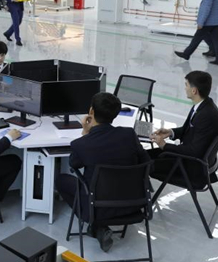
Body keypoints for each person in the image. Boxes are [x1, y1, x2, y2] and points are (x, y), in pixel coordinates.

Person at [56, 92, 150, 253]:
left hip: (98, 208)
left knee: (61, 180)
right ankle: (99, 228)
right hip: (134, 204)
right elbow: (147, 164)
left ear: (91, 112)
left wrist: (85, 133)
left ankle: (96, 225)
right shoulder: (129, 135)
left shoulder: (82, 144)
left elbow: (74, 164)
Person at [149, 71, 218, 185]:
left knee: (143, 162)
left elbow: (194, 151)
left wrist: (164, 145)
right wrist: (170, 132)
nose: (185, 88)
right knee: (143, 155)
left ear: (194, 91)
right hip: (187, 158)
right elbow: (190, 129)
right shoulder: (203, 105)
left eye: (186, 85)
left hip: (189, 166)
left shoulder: (206, 115)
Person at [175, 0, 218, 66]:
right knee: (217, 41)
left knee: (197, 38)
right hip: (216, 21)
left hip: (208, 22)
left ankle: (186, 54)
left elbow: (206, 8)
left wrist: (201, 22)